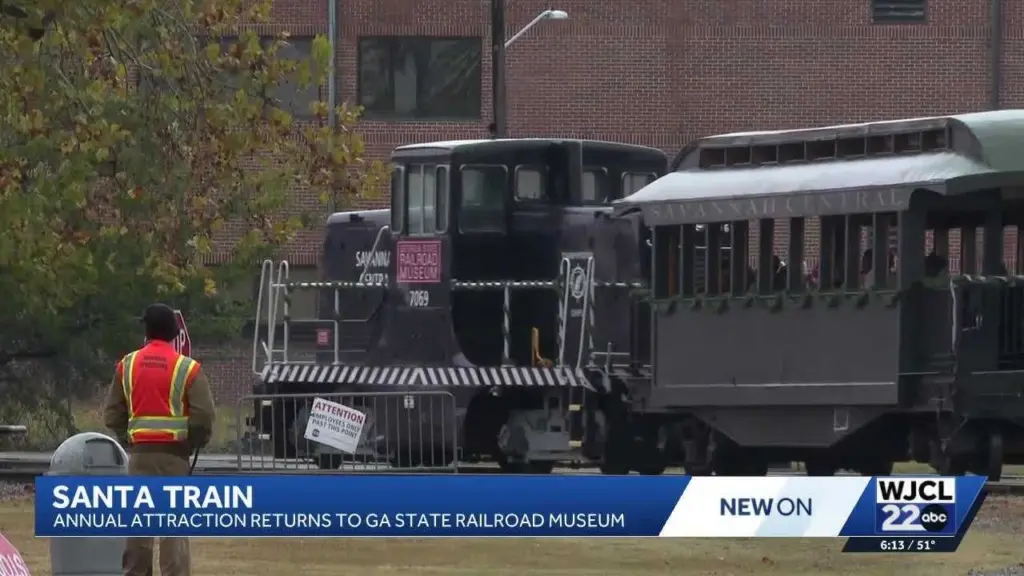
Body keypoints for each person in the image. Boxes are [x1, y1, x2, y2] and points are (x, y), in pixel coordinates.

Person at [104, 303, 216, 576]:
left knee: (138, 529)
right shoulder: (187, 369)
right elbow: (204, 416)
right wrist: (192, 442)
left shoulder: (127, 365)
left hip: (139, 457)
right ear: (174, 333)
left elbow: (112, 414)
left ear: (146, 330)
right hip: (174, 458)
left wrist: (130, 438)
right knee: (173, 532)